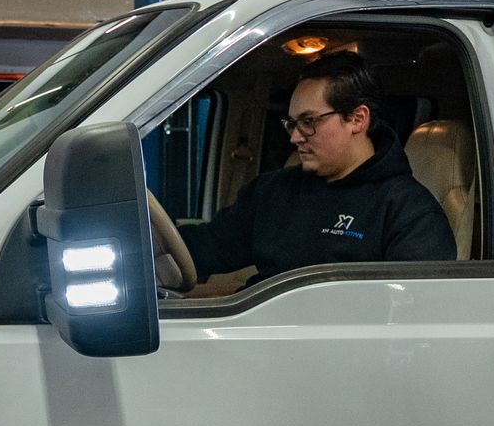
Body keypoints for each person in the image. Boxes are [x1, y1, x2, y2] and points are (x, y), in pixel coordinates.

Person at [177, 52, 456, 284]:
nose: (294, 137)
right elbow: (204, 248)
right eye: (292, 123)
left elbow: (412, 317)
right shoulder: (273, 192)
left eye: (309, 122)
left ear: (358, 119)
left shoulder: (409, 213)